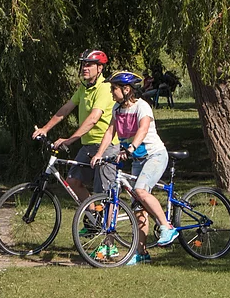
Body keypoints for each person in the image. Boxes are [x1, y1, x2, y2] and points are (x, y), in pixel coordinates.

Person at [89, 70, 174, 261]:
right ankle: (141, 253)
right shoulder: (118, 110)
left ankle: (166, 227)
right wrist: (99, 154)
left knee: (141, 191)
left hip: (155, 155)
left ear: (126, 90)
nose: (111, 92)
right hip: (137, 159)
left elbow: (143, 128)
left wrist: (131, 147)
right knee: (138, 207)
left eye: (114, 89)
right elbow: (110, 132)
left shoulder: (142, 106)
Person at [32, 49, 114, 199]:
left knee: (103, 194)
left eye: (89, 65)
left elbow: (93, 118)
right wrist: (45, 128)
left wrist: (69, 140)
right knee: (73, 181)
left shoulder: (105, 88)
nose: (85, 68)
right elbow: (66, 108)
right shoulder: (84, 87)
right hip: (88, 144)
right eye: (83, 64)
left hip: (106, 145)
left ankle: (104, 221)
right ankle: (93, 216)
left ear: (100, 68)